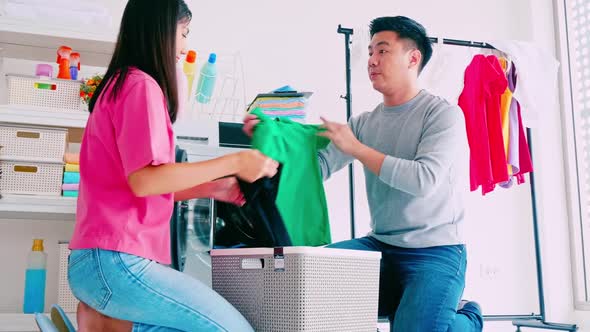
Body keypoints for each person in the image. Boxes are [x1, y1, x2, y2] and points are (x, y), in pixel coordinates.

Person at [244, 16, 483, 332]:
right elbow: (316, 170)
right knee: (303, 277)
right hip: (381, 246)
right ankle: (412, 308)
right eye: (370, 52)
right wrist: (271, 138)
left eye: (382, 51)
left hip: (435, 253)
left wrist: (356, 148)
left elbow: (424, 180)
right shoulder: (364, 123)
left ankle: (467, 317)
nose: (371, 60)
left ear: (413, 58)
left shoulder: (443, 115)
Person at [67, 1, 278, 331]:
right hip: (116, 263)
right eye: (183, 33)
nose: (185, 46)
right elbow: (145, 181)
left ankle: (112, 324)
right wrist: (236, 160)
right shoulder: (141, 87)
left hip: (97, 263)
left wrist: (211, 187)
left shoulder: (119, 85)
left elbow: (135, 185)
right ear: (159, 30)